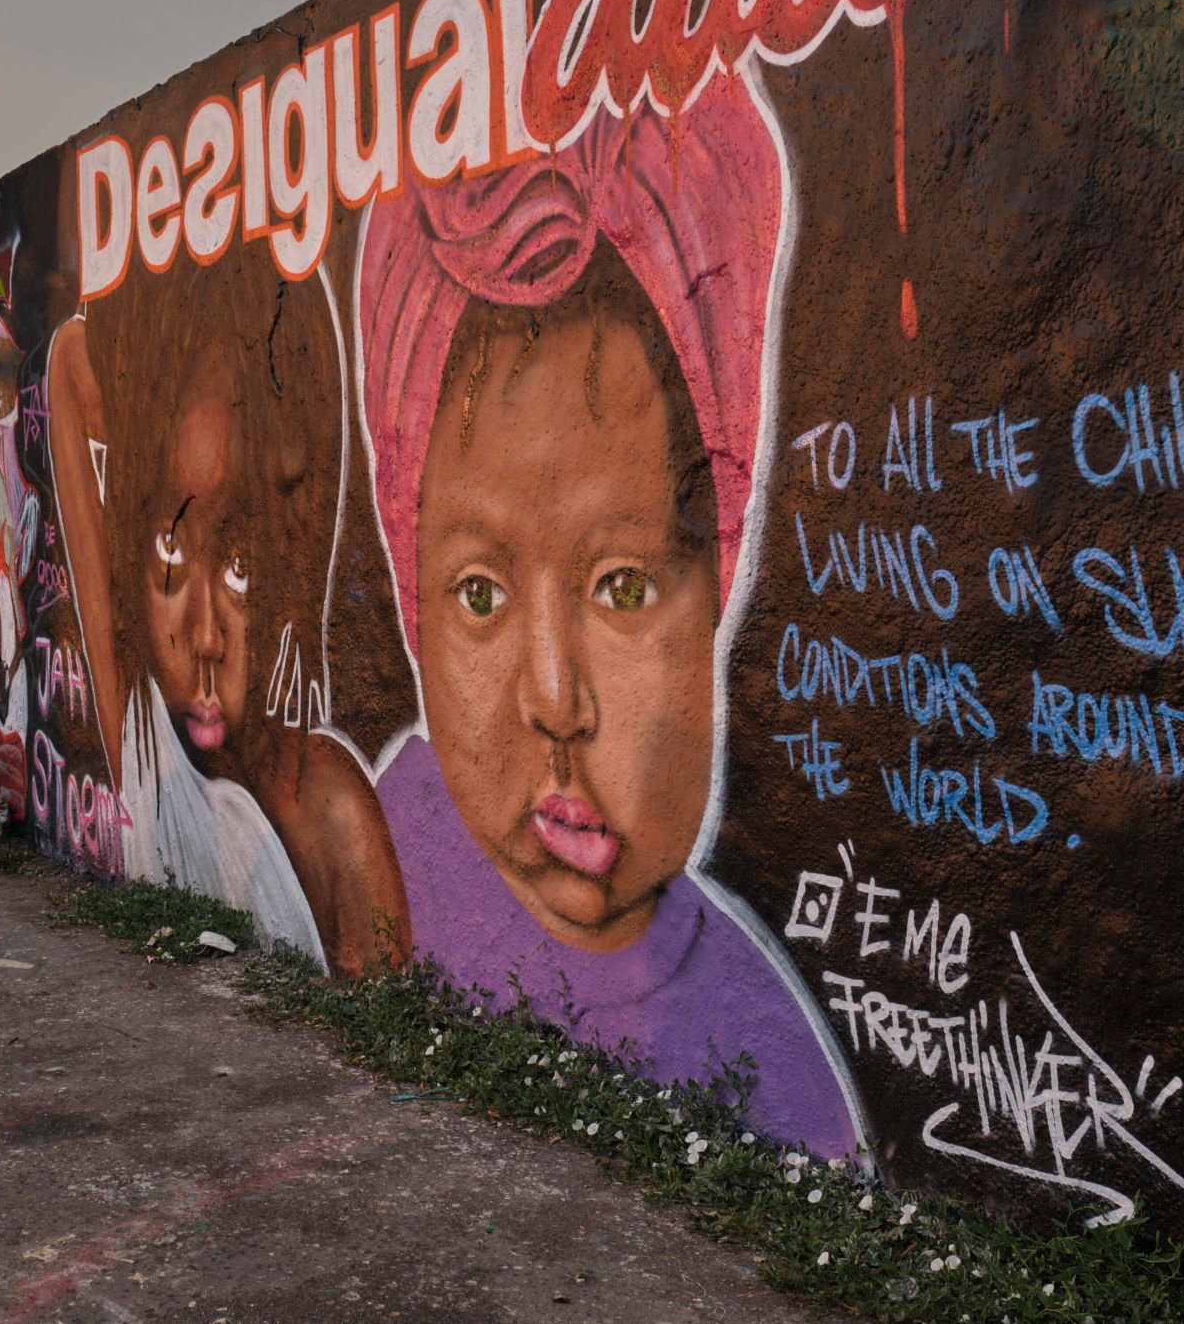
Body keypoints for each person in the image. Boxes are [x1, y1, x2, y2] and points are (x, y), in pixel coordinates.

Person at [356, 76, 857, 1156]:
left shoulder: (792, 1094)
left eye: (623, 587)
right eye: (478, 596)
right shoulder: (354, 870)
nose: (553, 702)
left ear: (720, 583)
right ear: (409, 599)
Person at [48, 251, 405, 975]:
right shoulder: (144, 743)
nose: (205, 636)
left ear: (287, 569)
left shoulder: (331, 813)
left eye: (242, 567)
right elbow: (70, 361)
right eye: (170, 557)